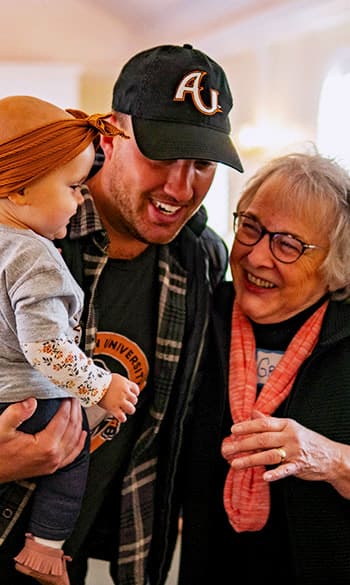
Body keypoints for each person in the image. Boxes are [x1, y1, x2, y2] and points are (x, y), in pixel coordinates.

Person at [0, 43, 243, 585]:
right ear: (111, 133)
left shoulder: (198, 260)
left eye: (202, 164)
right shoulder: (25, 240)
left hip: (80, 557)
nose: (181, 189)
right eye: (161, 155)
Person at [179, 151, 350, 585]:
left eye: (288, 244)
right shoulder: (201, 313)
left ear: (336, 264)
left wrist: (328, 458)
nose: (256, 258)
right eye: (251, 227)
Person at [0, 95, 140, 585]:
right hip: (26, 397)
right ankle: (45, 549)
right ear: (18, 190)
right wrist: (100, 386)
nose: (82, 201)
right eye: (74, 187)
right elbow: (48, 349)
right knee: (75, 448)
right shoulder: (36, 258)